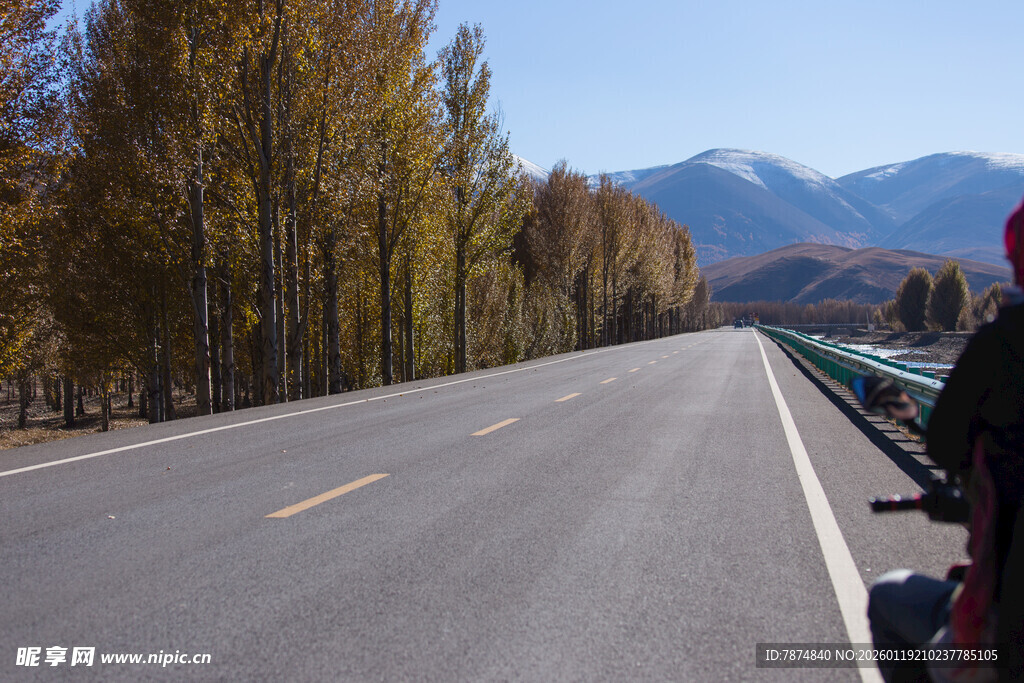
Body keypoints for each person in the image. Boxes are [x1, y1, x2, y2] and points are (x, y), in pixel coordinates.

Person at [867, 197, 1024, 682]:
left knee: (890, 596)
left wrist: (899, 407)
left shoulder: (1001, 345)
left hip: (1007, 629)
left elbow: (944, 443)